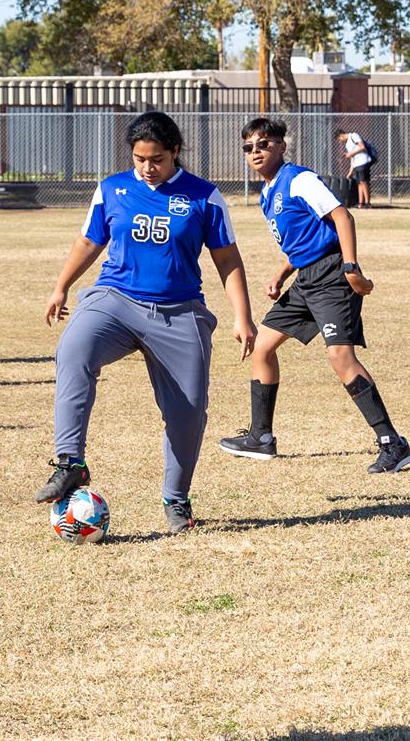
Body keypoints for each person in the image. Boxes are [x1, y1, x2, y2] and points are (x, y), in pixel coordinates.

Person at [35, 111, 257, 532]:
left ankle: (176, 500)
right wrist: (61, 286)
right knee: (73, 349)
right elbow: (89, 240)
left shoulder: (204, 197)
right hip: (115, 300)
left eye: (156, 159)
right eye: (139, 158)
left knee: (188, 412)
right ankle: (70, 462)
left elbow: (226, 258)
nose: (147, 167)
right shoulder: (112, 189)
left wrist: (242, 316)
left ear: (176, 152)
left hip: (179, 310)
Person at [220, 117, 410, 474]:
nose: (256, 152)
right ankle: (261, 437)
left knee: (340, 357)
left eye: (263, 144)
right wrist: (281, 272)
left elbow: (342, 218)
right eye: (249, 147)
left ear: (281, 145)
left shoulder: (300, 179)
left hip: (331, 276)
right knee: (262, 347)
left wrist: (352, 268)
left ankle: (392, 443)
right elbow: (301, 243)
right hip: (306, 280)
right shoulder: (267, 193)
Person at [335, 128, 372, 208]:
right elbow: (352, 158)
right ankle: (361, 203)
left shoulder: (354, 136)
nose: (340, 141)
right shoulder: (347, 144)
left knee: (363, 181)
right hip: (356, 164)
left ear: (341, 135)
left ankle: (367, 203)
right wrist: (350, 171)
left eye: (339, 139)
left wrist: (350, 153)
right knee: (359, 183)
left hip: (363, 161)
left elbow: (362, 147)